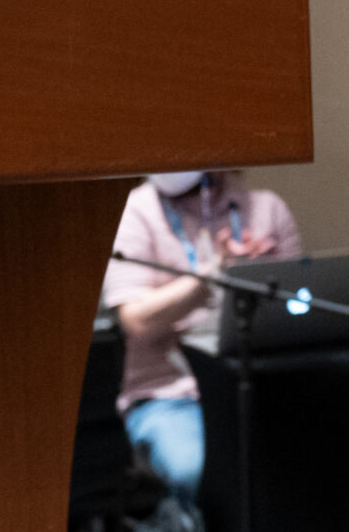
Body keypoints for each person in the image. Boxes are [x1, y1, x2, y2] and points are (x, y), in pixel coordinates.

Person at [102, 169, 301, 501]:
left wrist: (267, 279)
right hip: (171, 396)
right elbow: (135, 319)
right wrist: (208, 279)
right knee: (200, 470)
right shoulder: (135, 212)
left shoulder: (266, 208)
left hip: (264, 385)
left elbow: (300, 306)